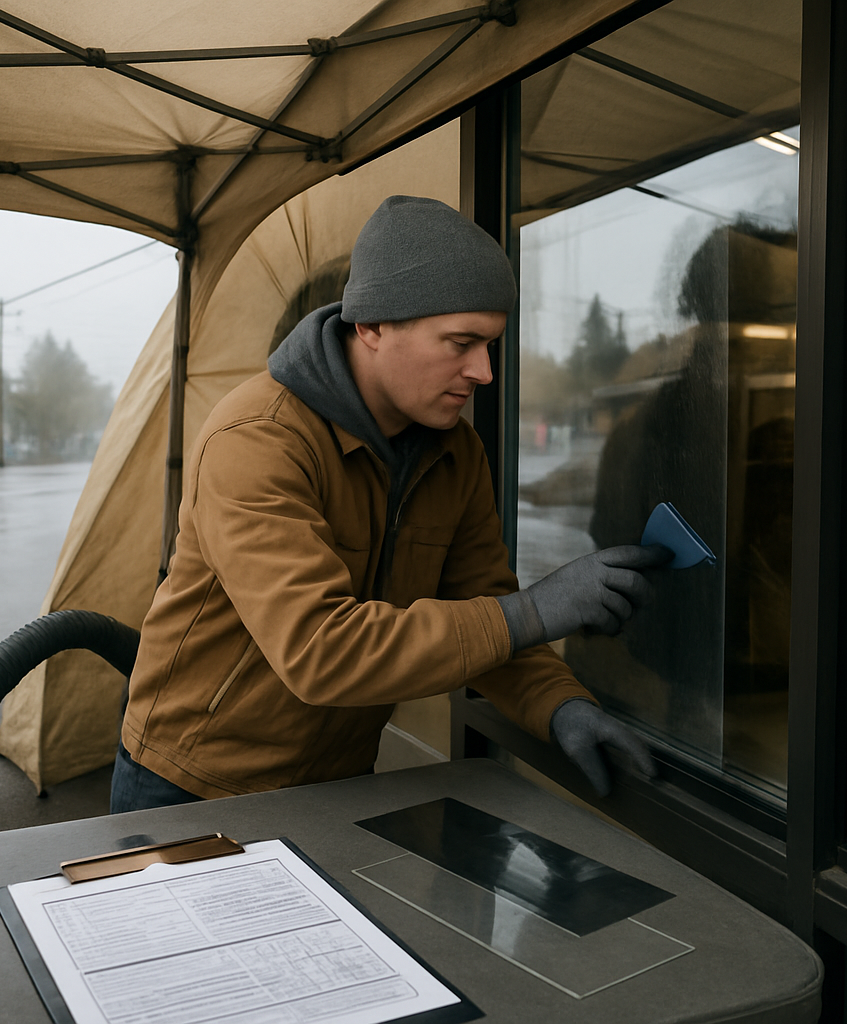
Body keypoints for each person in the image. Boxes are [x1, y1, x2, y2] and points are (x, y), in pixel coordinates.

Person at [111, 195, 669, 813]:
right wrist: (535, 611)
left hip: (341, 777)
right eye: (461, 342)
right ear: (372, 326)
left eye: (491, 345)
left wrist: (561, 706)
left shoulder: (456, 455)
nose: (484, 371)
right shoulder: (257, 438)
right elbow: (320, 650)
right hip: (193, 781)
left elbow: (486, 619)